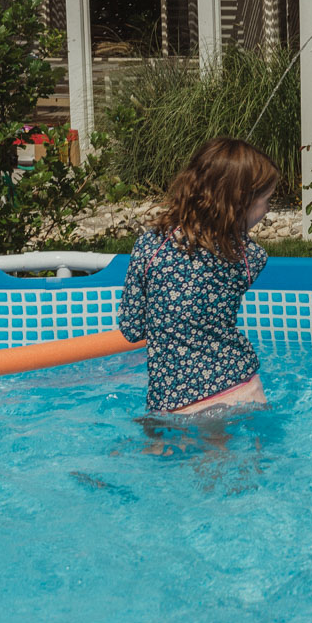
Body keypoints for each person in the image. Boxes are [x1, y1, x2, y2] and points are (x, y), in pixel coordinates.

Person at [119, 137, 279, 415]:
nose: (267, 211)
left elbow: (131, 329)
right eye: (265, 201)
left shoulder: (149, 248)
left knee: (154, 448)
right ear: (239, 205)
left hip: (177, 404)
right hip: (242, 391)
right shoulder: (249, 258)